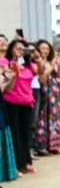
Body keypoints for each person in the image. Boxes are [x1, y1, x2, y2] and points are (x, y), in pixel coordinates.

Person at [1, 40, 39, 175]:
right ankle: (17, 164)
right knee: (15, 134)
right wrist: (12, 69)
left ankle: (26, 162)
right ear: (11, 49)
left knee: (25, 133)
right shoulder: (5, 62)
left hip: (27, 102)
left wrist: (38, 59)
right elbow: (4, 78)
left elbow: (40, 73)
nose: (20, 51)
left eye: (23, 49)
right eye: (17, 48)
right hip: (11, 101)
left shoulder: (28, 64)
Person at [34, 40, 60, 155]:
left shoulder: (50, 62)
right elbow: (41, 77)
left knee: (54, 118)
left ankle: (54, 144)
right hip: (43, 92)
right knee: (42, 118)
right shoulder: (37, 62)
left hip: (54, 92)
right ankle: (41, 145)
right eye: (43, 48)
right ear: (38, 49)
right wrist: (51, 67)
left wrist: (58, 65)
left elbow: (59, 76)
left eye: (47, 49)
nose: (45, 51)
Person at [0, 34, 18, 182]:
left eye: (4, 41)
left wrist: (11, 78)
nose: (2, 43)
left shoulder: (7, 63)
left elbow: (6, 89)